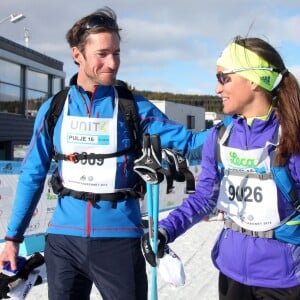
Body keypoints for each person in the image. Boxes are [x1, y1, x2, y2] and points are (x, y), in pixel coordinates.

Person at [0, 6, 208, 300]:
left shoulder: (132, 107)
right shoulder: (54, 109)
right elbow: (32, 174)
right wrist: (12, 239)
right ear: (77, 55)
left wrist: (242, 123)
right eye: (102, 54)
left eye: (117, 53)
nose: (112, 63)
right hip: (63, 241)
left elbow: (190, 141)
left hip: (119, 239)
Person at [142, 36, 300, 300]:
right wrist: (165, 229)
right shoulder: (220, 137)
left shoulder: (292, 135)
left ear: (254, 80)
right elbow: (205, 198)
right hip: (231, 272)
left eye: (224, 78)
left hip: (283, 278)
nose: (217, 88)